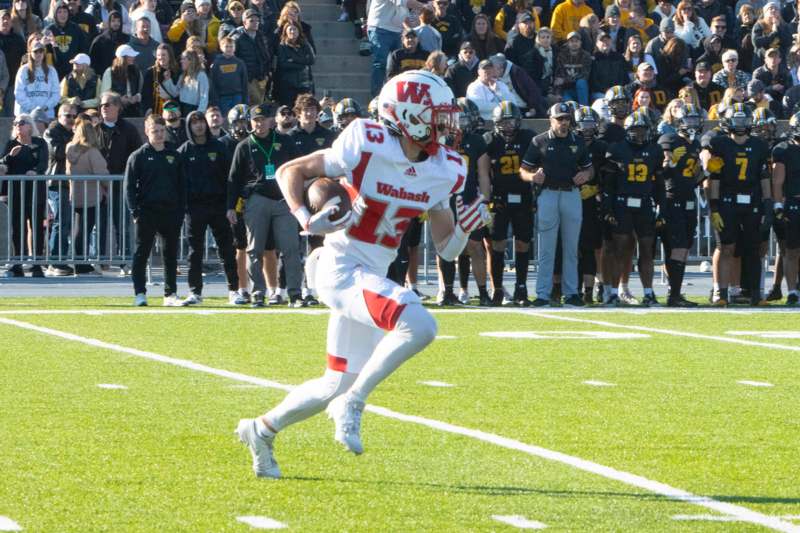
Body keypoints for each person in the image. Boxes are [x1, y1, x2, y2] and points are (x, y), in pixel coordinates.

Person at [234, 70, 487, 478]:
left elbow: (447, 249)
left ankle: (260, 430)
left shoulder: (445, 168)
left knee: (334, 381)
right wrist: (305, 218)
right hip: (339, 266)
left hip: (372, 274)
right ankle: (355, 403)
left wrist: (464, 228)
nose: (446, 126)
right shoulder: (366, 141)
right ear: (409, 116)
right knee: (419, 324)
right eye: (437, 116)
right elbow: (289, 172)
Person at [227, 103, 303, 307]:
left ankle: (295, 293)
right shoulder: (244, 145)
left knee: (290, 249)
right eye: (255, 120)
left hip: (282, 199)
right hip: (256, 199)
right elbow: (234, 179)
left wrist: (298, 199)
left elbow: (297, 169)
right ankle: (258, 292)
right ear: (250, 122)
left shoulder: (285, 141)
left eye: (263, 119)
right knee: (254, 249)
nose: (259, 124)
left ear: (270, 121)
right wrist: (230, 207)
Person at [521, 102, 592, 307]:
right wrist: (532, 177)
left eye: (566, 119)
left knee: (571, 247)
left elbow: (589, 169)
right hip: (548, 194)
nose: (563, 122)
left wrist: (585, 175)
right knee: (546, 247)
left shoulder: (577, 141)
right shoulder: (539, 141)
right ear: (550, 120)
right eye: (559, 119)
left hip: (571, 194)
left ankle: (571, 293)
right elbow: (523, 170)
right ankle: (543, 294)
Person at [702, 103, 772, 306]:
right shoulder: (719, 143)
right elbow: (714, 179)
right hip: (727, 201)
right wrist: (713, 207)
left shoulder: (759, 145)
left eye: (744, 120)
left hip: (752, 201)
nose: (740, 125)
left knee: (754, 248)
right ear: (728, 121)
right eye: (737, 120)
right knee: (726, 246)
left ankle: (756, 295)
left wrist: (768, 204)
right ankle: (721, 294)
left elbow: (764, 178)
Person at [177, 111, 242, 305]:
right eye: (194, 123)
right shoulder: (184, 150)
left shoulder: (219, 147)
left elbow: (231, 178)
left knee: (227, 250)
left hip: (218, 206)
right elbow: (177, 181)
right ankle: (195, 292)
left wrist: (230, 205)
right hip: (195, 209)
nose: (199, 126)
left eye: (201, 122)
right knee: (194, 252)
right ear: (189, 126)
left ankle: (234, 290)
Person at [601, 109, 663, 305]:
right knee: (619, 249)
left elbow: (659, 183)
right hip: (621, 203)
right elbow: (608, 184)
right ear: (627, 130)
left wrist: (662, 207)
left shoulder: (654, 150)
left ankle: (648, 292)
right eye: (635, 130)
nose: (639, 134)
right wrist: (608, 209)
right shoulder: (616, 149)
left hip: (645, 204)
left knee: (646, 249)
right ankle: (612, 292)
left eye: (643, 130)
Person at [125, 114, 185, 306]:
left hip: (171, 212)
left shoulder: (174, 155)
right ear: (146, 131)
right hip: (147, 212)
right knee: (141, 253)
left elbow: (182, 185)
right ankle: (140, 293)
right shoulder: (138, 156)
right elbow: (129, 187)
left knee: (170, 254)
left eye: (161, 130)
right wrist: (135, 211)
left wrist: (181, 210)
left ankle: (170, 294)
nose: (158, 135)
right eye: (154, 131)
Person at [484, 100, 535, 305]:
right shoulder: (489, 140)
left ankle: (521, 288)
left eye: (512, 121)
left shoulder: (528, 138)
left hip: (523, 197)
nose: (508, 126)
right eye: (504, 122)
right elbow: (484, 170)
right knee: (497, 244)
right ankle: (497, 289)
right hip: (499, 200)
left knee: (523, 243)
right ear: (496, 123)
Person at [658, 103, 704, 306]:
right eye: (689, 119)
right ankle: (674, 295)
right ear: (679, 122)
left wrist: (706, 172)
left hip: (688, 198)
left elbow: (694, 178)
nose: (692, 123)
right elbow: (661, 172)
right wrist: (670, 163)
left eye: (695, 119)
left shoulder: (695, 145)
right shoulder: (669, 139)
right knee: (676, 247)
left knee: (683, 248)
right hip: (671, 198)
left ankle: (675, 292)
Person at [97, 91, 142, 274]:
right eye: (101, 105)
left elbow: (136, 156)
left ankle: (125, 261)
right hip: (97, 185)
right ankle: (99, 261)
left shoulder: (129, 129)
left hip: (121, 185)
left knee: (122, 224)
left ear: (118, 107)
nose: (104, 108)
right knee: (97, 227)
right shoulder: (94, 128)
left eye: (108, 104)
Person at [0, 114, 48, 278]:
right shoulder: (11, 144)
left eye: (22, 123)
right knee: (17, 230)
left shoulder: (40, 143)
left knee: (37, 230)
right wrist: (10, 156)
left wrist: (35, 171)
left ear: (30, 126)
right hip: (16, 193)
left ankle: (37, 265)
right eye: (15, 123)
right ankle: (17, 265)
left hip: (35, 192)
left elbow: (43, 163)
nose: (18, 126)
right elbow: (3, 165)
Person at [66, 113, 108, 273]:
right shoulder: (92, 152)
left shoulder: (70, 149)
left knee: (79, 229)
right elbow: (102, 174)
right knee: (86, 229)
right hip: (91, 195)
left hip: (76, 194)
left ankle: (79, 261)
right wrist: (108, 187)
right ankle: (81, 264)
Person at [218, 103, 251, 304]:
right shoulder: (224, 144)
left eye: (244, 121)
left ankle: (262, 287)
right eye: (238, 122)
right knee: (239, 245)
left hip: (254, 197)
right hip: (232, 200)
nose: (241, 126)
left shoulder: (254, 141)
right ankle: (241, 286)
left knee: (263, 246)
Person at [365, 0, 424, 96]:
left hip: (397, 31)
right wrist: (425, 7)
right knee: (380, 64)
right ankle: (376, 97)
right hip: (380, 28)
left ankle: (396, 95)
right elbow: (404, 2)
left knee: (399, 63)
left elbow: (403, 14)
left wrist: (414, 29)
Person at [44, 102, 76, 275]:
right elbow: (58, 152)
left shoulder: (73, 132)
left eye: (73, 116)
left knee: (65, 222)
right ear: (59, 116)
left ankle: (60, 259)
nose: (71, 119)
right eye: (67, 115)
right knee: (60, 221)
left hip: (69, 183)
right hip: (57, 182)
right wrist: (75, 142)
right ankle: (55, 261)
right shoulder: (51, 131)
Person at [772, 111, 800, 306]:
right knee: (791, 250)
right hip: (793, 203)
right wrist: (779, 204)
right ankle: (791, 291)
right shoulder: (783, 149)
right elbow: (777, 181)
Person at [231, 8, 271, 105]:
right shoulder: (237, 38)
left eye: (257, 20)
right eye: (251, 20)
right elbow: (233, 58)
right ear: (244, 22)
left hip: (261, 77)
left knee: (259, 104)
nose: (255, 22)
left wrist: (266, 73)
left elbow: (266, 56)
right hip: (247, 78)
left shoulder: (261, 36)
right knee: (255, 104)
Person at [13, 36, 58, 117]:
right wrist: (33, 108)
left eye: (41, 51)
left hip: (46, 114)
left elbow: (56, 93)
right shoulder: (23, 70)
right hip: (26, 114)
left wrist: (46, 107)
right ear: (30, 53)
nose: (38, 54)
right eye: (35, 51)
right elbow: (19, 93)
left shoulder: (52, 71)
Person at [209, 35, 247, 115]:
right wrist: (214, 99)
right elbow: (213, 82)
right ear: (221, 48)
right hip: (223, 97)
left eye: (231, 46)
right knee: (225, 119)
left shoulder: (240, 62)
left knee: (238, 118)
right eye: (226, 46)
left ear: (235, 48)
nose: (229, 49)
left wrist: (245, 98)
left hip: (237, 96)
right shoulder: (216, 63)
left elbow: (244, 81)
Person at [0, 8, 27, 115]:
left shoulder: (18, 40)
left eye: (8, 19)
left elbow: (25, 58)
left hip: (13, 83)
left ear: (11, 22)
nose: (5, 21)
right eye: (2, 19)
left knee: (10, 115)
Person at [141, 42, 179, 115]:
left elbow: (177, 94)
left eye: (163, 55)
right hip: (155, 111)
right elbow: (146, 93)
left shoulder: (176, 71)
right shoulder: (151, 72)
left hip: (172, 111)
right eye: (158, 55)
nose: (160, 57)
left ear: (170, 56)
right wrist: (148, 108)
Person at [89, 10, 126, 76]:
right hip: (103, 76)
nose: (116, 23)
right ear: (109, 22)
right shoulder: (99, 40)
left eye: (118, 21)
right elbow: (92, 61)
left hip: (122, 76)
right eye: (113, 21)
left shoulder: (125, 39)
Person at [176, 48, 207, 113]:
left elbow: (204, 97)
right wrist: (167, 80)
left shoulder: (201, 75)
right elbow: (175, 92)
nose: (181, 61)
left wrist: (199, 113)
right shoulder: (182, 76)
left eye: (183, 59)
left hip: (193, 110)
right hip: (182, 109)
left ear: (191, 60)